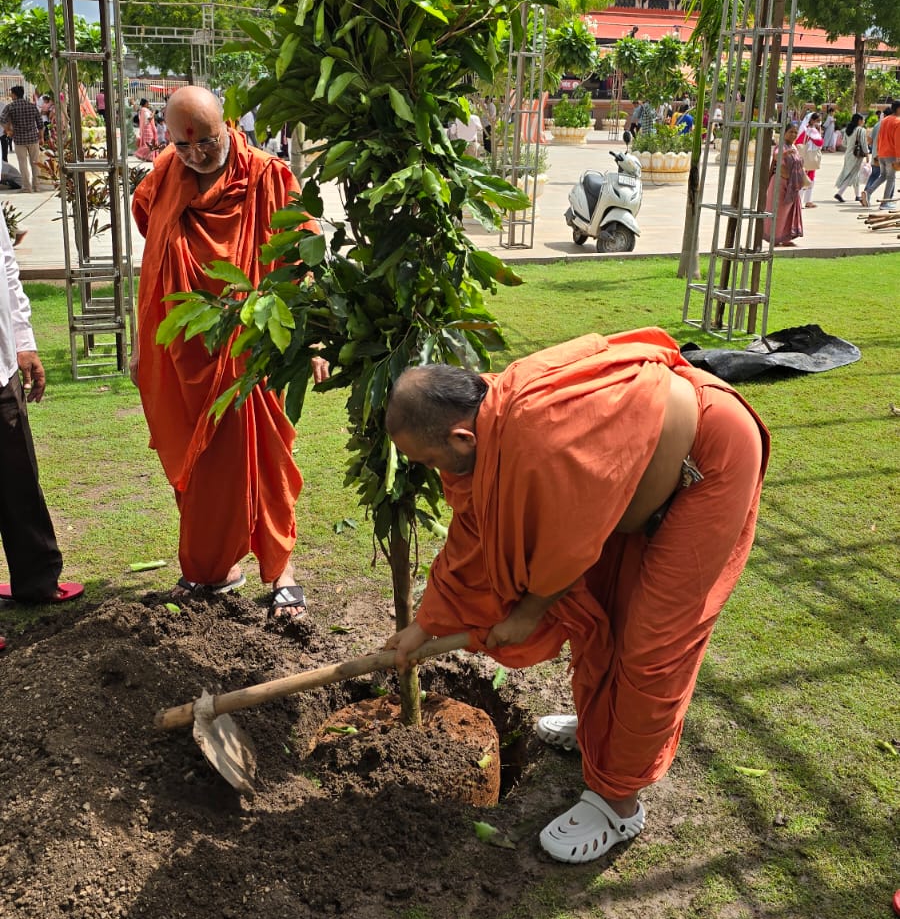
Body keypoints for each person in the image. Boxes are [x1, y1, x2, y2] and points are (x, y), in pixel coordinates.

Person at [383, 335, 768, 865]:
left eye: (428, 459)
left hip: (709, 461)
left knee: (652, 645)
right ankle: (599, 731)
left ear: (461, 437)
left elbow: (568, 547)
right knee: (604, 608)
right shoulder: (486, 428)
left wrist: (529, 614)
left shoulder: (536, 437)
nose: (432, 470)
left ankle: (618, 803)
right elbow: (473, 534)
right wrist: (424, 625)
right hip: (637, 476)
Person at [130, 89, 328, 622]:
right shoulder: (165, 175)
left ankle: (281, 569)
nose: (195, 155)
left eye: (208, 142)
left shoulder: (268, 175)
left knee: (262, 456)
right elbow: (153, 254)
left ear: (229, 126)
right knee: (200, 464)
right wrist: (143, 342)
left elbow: (301, 255)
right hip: (185, 344)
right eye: (182, 145)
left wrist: (310, 338)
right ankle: (213, 569)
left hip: (252, 344)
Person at [0, 207, 83, 611]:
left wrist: (23, 342)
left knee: (18, 474)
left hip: (1, 365)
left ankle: (37, 580)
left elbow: (6, 268)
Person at [764, 123, 806, 246]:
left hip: (791, 185)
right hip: (779, 184)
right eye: (791, 132)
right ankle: (774, 238)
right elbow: (776, 156)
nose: (793, 134)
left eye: (795, 132)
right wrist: (785, 154)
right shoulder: (781, 146)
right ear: (784, 133)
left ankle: (786, 238)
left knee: (788, 213)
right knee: (777, 213)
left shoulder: (794, 147)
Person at [0, 86, 44, 193]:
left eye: (11, 93)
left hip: (19, 140)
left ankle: (27, 187)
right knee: (35, 163)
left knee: (23, 164)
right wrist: (41, 136)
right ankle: (37, 186)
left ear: (14, 94)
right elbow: (40, 123)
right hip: (33, 139)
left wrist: (8, 130)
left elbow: (1, 119)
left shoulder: (10, 107)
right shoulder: (32, 106)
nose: (10, 95)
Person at [862, 98, 900, 209]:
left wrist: (878, 153)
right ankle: (885, 203)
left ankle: (868, 192)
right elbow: (898, 141)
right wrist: (898, 157)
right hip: (892, 154)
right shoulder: (898, 121)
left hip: (882, 153)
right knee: (891, 178)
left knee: (883, 176)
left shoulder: (884, 120)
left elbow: (880, 138)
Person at [833, 113, 869, 203]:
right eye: (863, 120)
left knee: (855, 174)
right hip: (856, 155)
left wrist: (851, 145)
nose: (864, 121)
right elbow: (864, 144)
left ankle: (857, 195)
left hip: (848, 154)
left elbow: (844, 143)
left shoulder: (848, 130)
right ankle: (839, 193)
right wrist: (867, 154)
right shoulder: (861, 130)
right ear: (859, 121)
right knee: (852, 174)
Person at [795, 111, 823, 207]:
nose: (819, 123)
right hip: (809, 157)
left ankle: (807, 200)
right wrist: (818, 131)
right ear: (811, 120)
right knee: (807, 178)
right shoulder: (810, 131)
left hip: (807, 156)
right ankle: (802, 201)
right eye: (817, 120)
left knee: (809, 178)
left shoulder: (805, 129)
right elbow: (820, 142)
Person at [134, 97, 157, 162]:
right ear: (145, 103)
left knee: (149, 143)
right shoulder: (144, 110)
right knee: (149, 143)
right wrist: (154, 112)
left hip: (147, 128)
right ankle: (141, 154)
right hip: (147, 129)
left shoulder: (143, 110)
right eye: (147, 102)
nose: (148, 104)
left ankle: (148, 157)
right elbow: (149, 118)